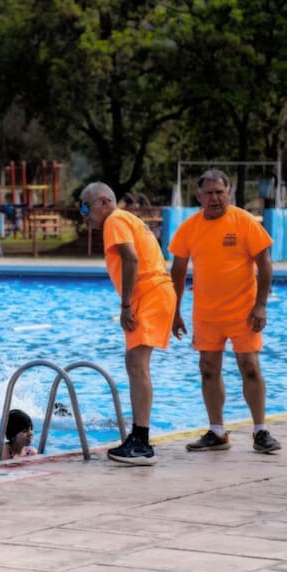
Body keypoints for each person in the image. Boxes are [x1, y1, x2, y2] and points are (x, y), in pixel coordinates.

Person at [169, 169, 281, 455]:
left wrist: (260, 306)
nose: (215, 198)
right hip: (206, 313)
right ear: (199, 196)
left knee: (250, 368)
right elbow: (178, 271)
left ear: (229, 193)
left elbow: (265, 264)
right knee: (208, 369)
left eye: (220, 192)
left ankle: (260, 430)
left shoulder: (244, 222)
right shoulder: (189, 227)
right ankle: (217, 432)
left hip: (243, 312)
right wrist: (175, 311)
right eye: (209, 193)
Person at [79, 181, 178, 466]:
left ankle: (141, 442)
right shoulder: (123, 219)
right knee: (136, 364)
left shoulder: (115, 220)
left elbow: (131, 258)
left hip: (149, 294)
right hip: (152, 293)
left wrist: (125, 305)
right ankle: (139, 437)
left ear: (104, 202)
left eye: (86, 206)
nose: (84, 213)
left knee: (137, 364)